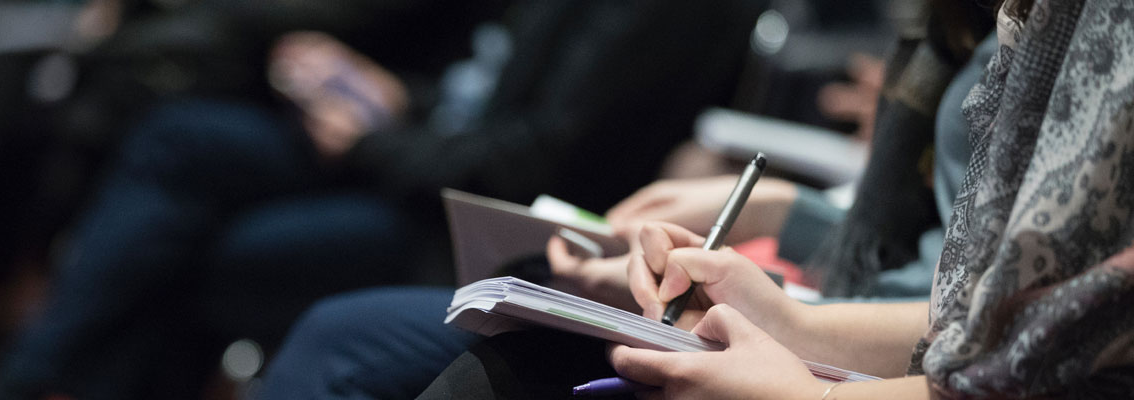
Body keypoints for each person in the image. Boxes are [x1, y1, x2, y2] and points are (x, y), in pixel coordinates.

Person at [0, 0, 768, 398]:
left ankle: (35, 375)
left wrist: (371, 141)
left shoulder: (662, 13)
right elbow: (480, 93)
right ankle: (39, 371)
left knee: (211, 255)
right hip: (421, 154)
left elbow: (527, 164)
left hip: (481, 225)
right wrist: (388, 100)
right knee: (182, 138)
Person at [415, 0, 1134, 398]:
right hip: (884, 333)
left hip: (889, 363)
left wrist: (807, 388)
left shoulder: (1095, 37)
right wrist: (782, 304)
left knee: (470, 372)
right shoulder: (1001, 25)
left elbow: (1029, 353)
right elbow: (971, 307)